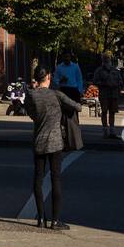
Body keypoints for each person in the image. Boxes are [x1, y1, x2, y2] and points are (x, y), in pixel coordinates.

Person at [25, 66, 82, 230]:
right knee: (55, 179)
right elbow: (77, 107)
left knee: (38, 178)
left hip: (39, 141)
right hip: (56, 142)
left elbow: (32, 115)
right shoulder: (57, 95)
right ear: (48, 77)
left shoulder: (31, 96)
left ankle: (40, 218)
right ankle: (55, 221)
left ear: (36, 78)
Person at [92, 52, 124, 138]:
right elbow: (95, 81)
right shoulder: (99, 70)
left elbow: (120, 81)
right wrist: (103, 83)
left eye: (108, 58)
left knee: (112, 112)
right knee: (104, 111)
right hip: (104, 94)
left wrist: (117, 85)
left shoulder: (115, 70)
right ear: (103, 60)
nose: (107, 60)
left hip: (114, 94)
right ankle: (105, 130)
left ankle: (112, 131)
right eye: (105, 58)